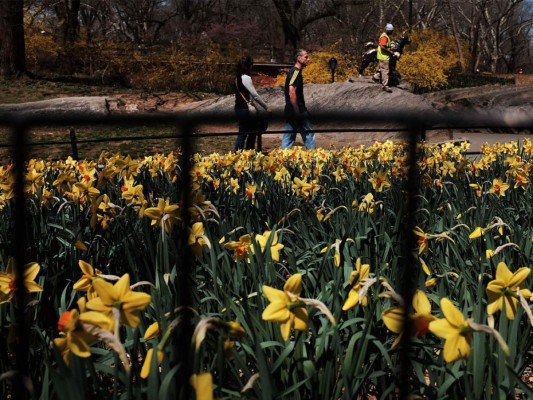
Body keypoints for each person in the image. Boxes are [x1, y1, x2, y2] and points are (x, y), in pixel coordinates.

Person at [234, 55, 271, 151]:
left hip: (238, 108)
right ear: (248, 65)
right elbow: (255, 95)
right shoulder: (246, 78)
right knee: (252, 132)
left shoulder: (237, 78)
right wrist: (265, 106)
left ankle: (237, 155)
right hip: (246, 109)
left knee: (242, 133)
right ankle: (249, 153)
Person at [281, 49, 315, 150]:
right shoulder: (295, 72)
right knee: (308, 134)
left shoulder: (294, 72)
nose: (308, 59)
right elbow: (292, 92)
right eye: (306, 57)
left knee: (289, 136)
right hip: (298, 110)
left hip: (290, 110)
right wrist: (297, 111)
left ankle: (282, 158)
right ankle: (314, 158)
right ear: (299, 58)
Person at [375, 23, 400, 93]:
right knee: (385, 71)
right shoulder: (384, 37)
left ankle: (376, 77)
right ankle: (385, 86)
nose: (392, 32)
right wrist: (390, 52)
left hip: (384, 56)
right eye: (391, 31)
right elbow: (383, 47)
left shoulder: (385, 36)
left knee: (383, 69)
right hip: (383, 57)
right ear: (389, 30)